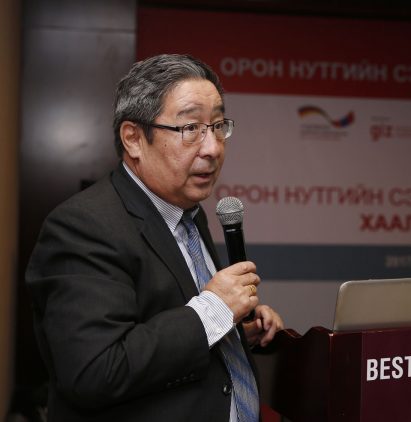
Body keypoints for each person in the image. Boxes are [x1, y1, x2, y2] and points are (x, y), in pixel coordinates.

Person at [25, 54, 284, 422]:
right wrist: (214, 310)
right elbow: (95, 371)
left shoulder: (188, 213)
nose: (212, 148)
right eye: (190, 128)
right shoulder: (82, 226)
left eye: (217, 126)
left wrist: (235, 329)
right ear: (133, 138)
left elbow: (170, 322)